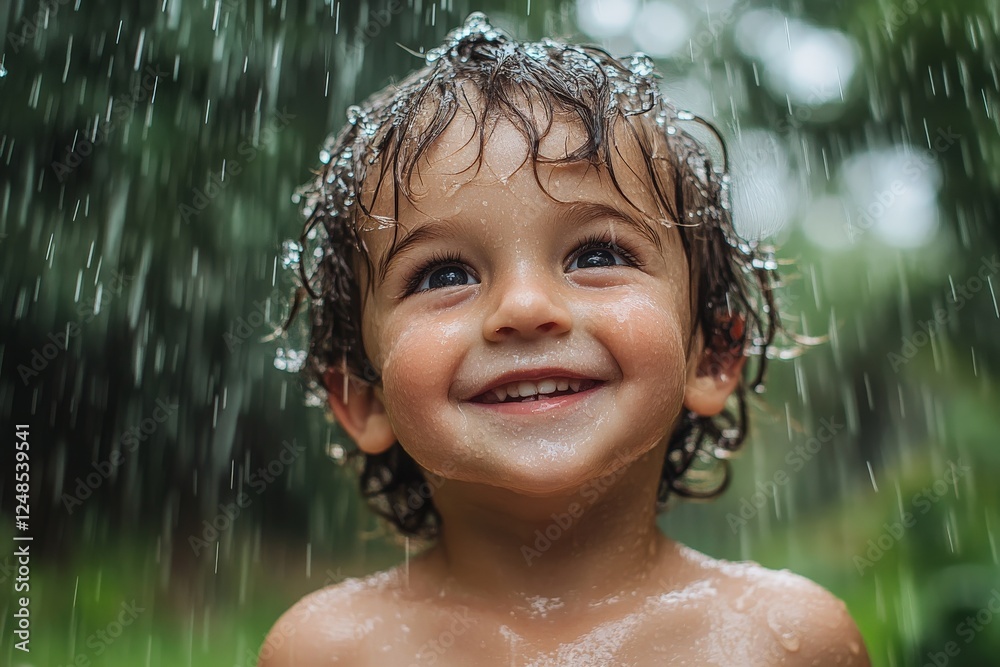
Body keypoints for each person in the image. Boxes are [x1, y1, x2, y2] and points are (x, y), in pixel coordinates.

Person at [260, 13, 870, 666]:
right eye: (445, 273)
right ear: (361, 396)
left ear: (712, 354)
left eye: (596, 254)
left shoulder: (781, 638)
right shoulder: (329, 649)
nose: (524, 307)